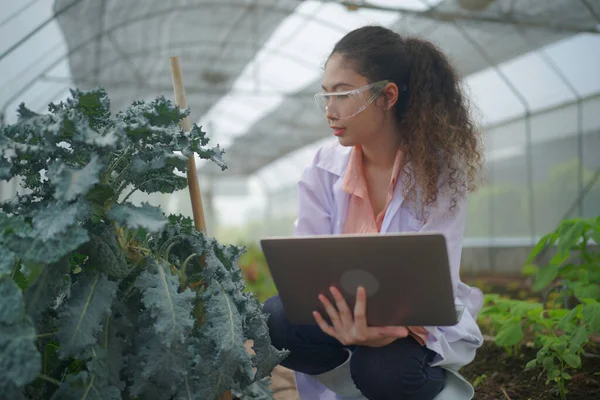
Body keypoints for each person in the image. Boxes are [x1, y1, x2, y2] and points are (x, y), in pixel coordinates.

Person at [263, 25, 484, 400]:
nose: (330, 110)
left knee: (381, 369)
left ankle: (436, 390)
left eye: (343, 94)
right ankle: (351, 385)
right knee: (275, 318)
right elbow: (305, 263)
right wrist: (346, 322)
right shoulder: (322, 166)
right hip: (338, 317)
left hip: (409, 325)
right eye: (326, 95)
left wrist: (378, 333)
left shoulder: (440, 171)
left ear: (387, 96)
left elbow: (435, 281)